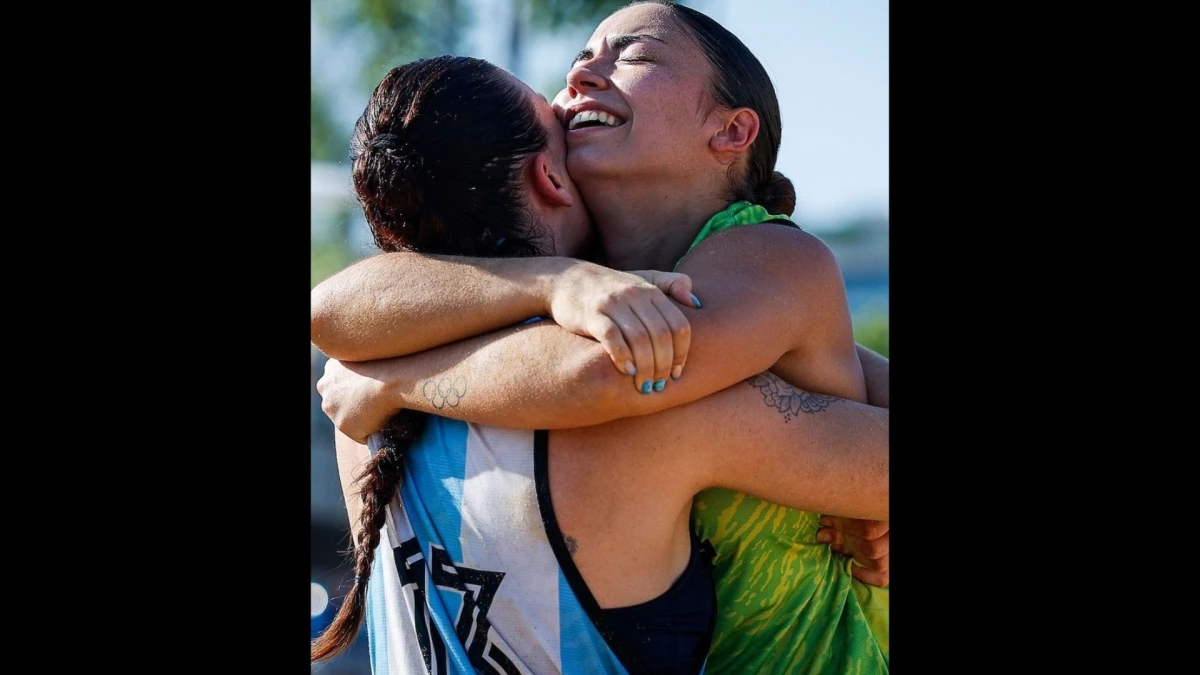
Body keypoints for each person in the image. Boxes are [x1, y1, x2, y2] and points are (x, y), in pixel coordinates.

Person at [313, 2, 889, 673]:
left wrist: (392, 378)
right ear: (551, 177)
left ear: (732, 131)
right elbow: (330, 309)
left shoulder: (768, 256)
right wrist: (555, 280)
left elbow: (617, 371)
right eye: (579, 58)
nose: (584, 67)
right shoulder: (594, 294)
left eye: (635, 53)